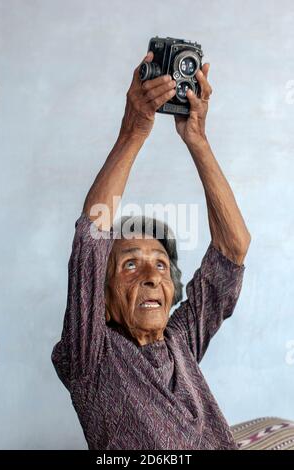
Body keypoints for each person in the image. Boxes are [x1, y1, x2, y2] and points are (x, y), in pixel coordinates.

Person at [52, 51, 251, 450]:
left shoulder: (181, 341)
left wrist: (197, 139)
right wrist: (134, 131)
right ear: (102, 299)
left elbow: (234, 248)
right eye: (130, 264)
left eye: (161, 265)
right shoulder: (92, 356)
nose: (151, 276)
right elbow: (92, 237)